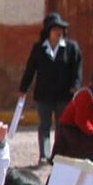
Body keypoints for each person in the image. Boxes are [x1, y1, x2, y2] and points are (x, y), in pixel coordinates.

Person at [17, 13, 81, 163]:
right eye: (55, 30)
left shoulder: (71, 48)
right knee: (44, 126)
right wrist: (23, 88)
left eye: (61, 30)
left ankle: (59, 154)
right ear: (48, 31)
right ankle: (44, 155)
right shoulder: (39, 48)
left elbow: (77, 69)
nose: (59, 33)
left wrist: (75, 86)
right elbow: (30, 69)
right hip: (43, 95)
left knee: (62, 126)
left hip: (64, 94)